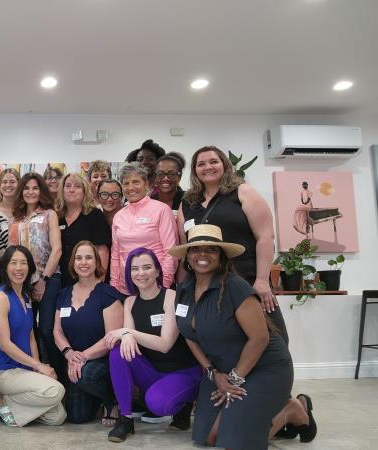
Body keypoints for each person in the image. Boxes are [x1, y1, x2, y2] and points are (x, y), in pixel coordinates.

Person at [169, 224, 316, 450]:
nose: (203, 255)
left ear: (222, 256)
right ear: (188, 256)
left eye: (211, 249)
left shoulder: (236, 287)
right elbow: (189, 334)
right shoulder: (183, 290)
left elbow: (260, 339)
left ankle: (291, 411)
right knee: (207, 436)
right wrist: (212, 372)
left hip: (263, 368)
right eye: (196, 249)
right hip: (222, 371)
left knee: (233, 442)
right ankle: (273, 413)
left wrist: (235, 380)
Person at [177, 146, 288, 343]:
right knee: (221, 339)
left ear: (224, 165)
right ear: (194, 170)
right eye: (201, 164)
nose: (207, 167)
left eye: (213, 161)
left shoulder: (243, 192)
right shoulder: (187, 202)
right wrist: (183, 287)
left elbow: (265, 237)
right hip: (206, 284)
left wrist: (262, 280)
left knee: (271, 337)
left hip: (247, 278)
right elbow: (185, 248)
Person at [103, 247, 201, 442]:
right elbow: (130, 342)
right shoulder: (130, 302)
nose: (141, 273)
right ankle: (126, 419)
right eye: (135, 269)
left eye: (147, 267)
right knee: (118, 351)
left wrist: (128, 332)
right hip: (154, 374)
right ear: (129, 273)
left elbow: (165, 344)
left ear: (157, 270)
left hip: (183, 371)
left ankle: (184, 403)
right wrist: (127, 335)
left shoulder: (171, 297)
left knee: (157, 404)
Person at [0, 245, 66, 427]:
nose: (18, 268)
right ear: (5, 267)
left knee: (57, 417)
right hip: (5, 371)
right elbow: (5, 344)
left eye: (23, 263)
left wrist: (37, 370)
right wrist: (39, 365)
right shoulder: (1, 297)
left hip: (25, 370)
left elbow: (31, 335)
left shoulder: (25, 296)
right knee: (56, 390)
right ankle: (4, 399)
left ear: (30, 268)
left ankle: (9, 403)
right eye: (13, 263)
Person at [53, 242, 123, 425]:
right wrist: (69, 354)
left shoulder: (108, 294)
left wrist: (82, 356)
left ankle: (111, 400)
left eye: (88, 257)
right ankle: (95, 396)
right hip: (74, 360)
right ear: (73, 263)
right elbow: (57, 331)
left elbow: (112, 338)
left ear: (96, 262)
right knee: (77, 417)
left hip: (102, 358)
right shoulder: (63, 294)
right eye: (78, 258)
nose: (83, 262)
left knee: (86, 375)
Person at [8, 172, 62, 380]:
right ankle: (35, 375)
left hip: (49, 278)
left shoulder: (49, 214)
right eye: (27, 188)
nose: (31, 192)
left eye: (35, 188)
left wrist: (43, 280)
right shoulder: (16, 218)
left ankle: (60, 376)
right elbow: (13, 251)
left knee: (47, 330)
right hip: (23, 281)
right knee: (27, 329)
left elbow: (56, 249)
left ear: (42, 191)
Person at [110, 163, 177, 295]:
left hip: (156, 287)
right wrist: (114, 286)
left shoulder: (161, 210)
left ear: (146, 184)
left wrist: (164, 284)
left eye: (136, 182)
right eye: (126, 183)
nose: (130, 187)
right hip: (126, 288)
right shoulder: (118, 216)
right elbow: (116, 255)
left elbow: (171, 251)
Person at [56, 173, 111, 288]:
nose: (72, 190)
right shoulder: (57, 217)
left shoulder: (94, 215)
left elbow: (102, 250)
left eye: (77, 186)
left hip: (89, 280)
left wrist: (99, 281)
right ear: (62, 190)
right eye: (68, 186)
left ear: (84, 191)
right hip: (61, 281)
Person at [0, 168, 20, 260]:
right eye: (4, 182)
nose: (8, 185)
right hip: (4, 267)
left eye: (12, 182)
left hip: (28, 265)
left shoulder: (25, 211)